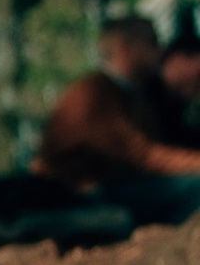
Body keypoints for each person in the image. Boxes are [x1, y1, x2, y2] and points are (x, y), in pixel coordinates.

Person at [34, 12, 200, 221]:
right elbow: (141, 155)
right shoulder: (93, 93)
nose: (160, 51)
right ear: (125, 50)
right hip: (74, 197)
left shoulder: (130, 95)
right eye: (151, 42)